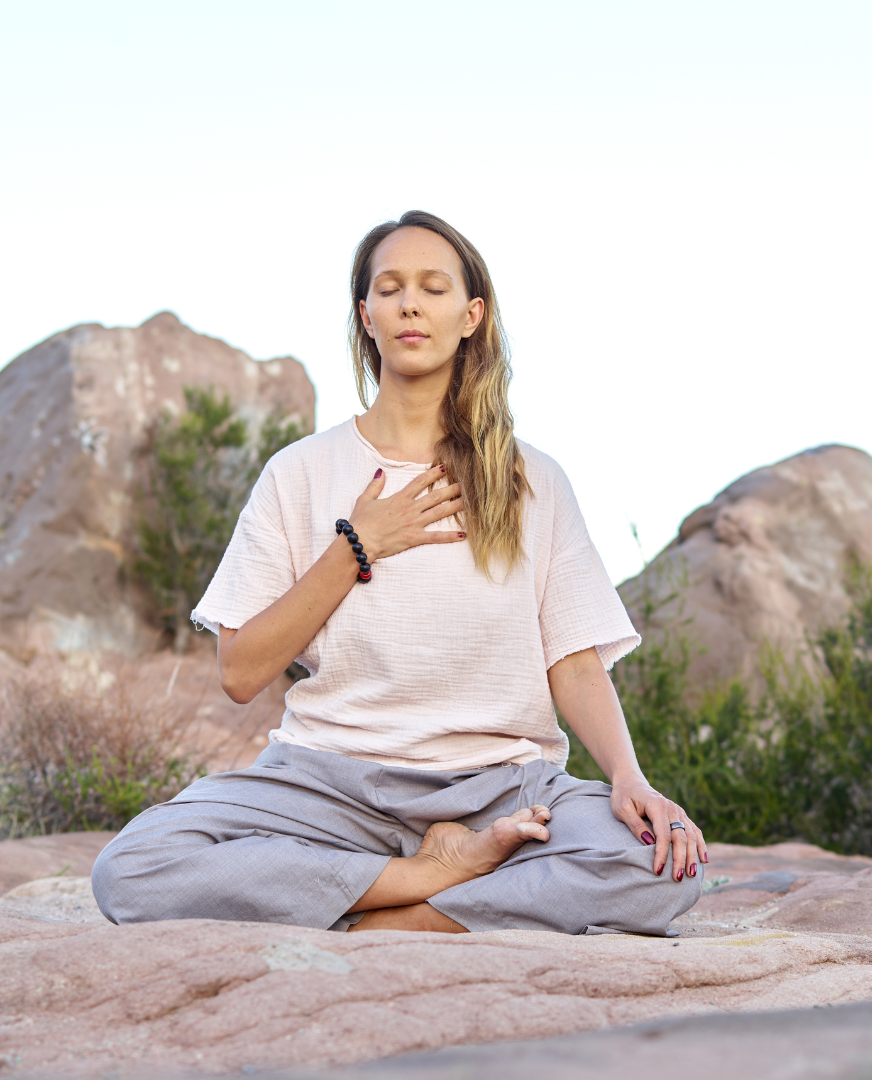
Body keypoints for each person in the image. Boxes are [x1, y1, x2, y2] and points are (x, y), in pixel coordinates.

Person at [92, 211, 705, 935]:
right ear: (367, 315)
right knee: (133, 868)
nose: (410, 303)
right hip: (327, 783)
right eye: (390, 288)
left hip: (501, 788)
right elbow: (240, 670)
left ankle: (397, 920)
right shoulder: (301, 473)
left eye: (432, 287)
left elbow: (571, 662)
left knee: (656, 870)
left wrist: (630, 780)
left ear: (471, 315)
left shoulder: (531, 480)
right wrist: (357, 547)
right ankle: (429, 876)